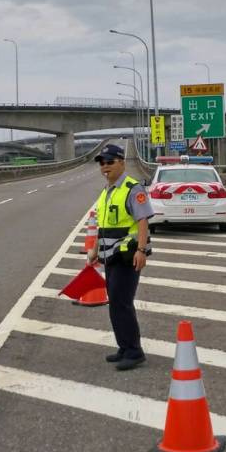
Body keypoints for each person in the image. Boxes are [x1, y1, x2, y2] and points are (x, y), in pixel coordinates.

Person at [87, 143, 153, 371]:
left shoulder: (132, 188)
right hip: (110, 256)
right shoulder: (107, 191)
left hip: (128, 256)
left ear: (122, 163)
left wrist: (141, 250)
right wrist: (95, 251)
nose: (105, 167)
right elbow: (103, 225)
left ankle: (134, 351)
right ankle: (124, 347)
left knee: (122, 303)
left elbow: (143, 220)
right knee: (115, 303)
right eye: (102, 163)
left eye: (110, 162)